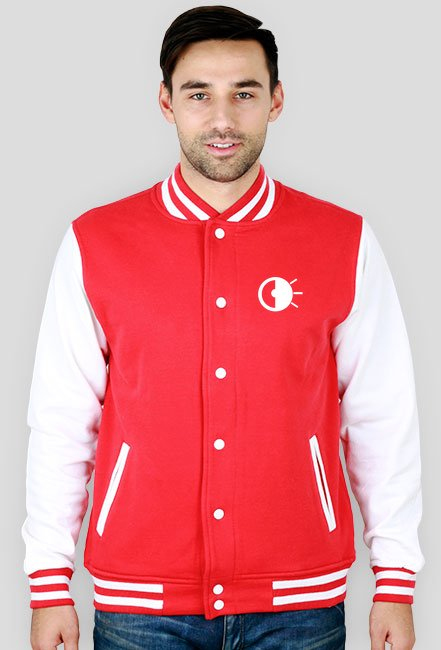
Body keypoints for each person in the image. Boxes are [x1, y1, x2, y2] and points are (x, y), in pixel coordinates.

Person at [22, 5, 424, 650]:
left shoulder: (341, 240)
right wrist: (48, 583)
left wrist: (396, 580)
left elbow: (382, 415)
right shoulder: (97, 242)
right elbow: (63, 419)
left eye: (244, 93)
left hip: (299, 600)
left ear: (276, 100)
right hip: (141, 604)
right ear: (166, 102)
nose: (222, 119)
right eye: (198, 94)